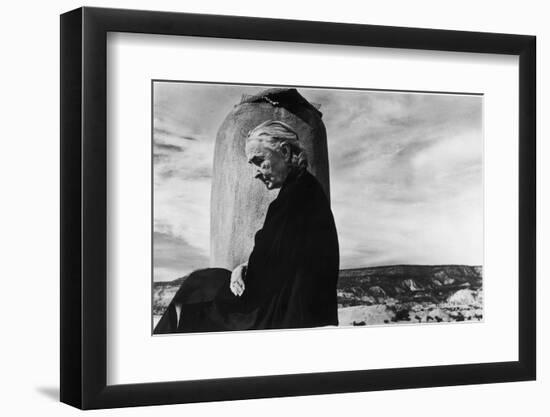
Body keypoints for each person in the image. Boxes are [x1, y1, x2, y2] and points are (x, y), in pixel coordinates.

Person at [154, 120, 339, 334]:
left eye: (259, 161)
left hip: (283, 317)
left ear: (286, 152)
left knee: (197, 287)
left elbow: (262, 276)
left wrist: (241, 271)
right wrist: (244, 267)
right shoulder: (305, 190)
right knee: (205, 282)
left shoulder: (294, 200)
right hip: (294, 309)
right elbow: (276, 258)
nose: (256, 172)